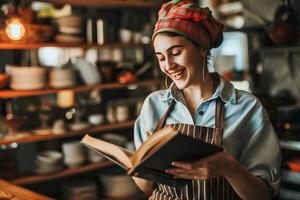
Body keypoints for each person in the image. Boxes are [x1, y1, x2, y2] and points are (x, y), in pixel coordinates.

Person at [133, 0, 281, 199]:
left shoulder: (247, 108)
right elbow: (146, 187)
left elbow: (262, 195)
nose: (168, 65)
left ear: (202, 49)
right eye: (161, 57)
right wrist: (147, 161)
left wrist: (229, 168)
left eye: (176, 53)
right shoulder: (154, 105)